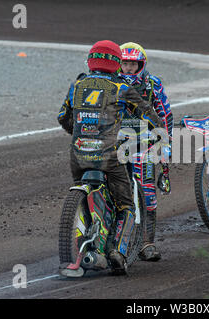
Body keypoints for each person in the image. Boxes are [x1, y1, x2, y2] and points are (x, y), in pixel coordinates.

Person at [57, 40, 162, 277]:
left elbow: (63, 117)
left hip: (78, 154)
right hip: (109, 156)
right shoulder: (122, 88)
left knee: (87, 189)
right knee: (126, 206)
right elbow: (150, 116)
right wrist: (157, 135)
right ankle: (118, 252)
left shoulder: (77, 85)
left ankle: (85, 235)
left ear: (91, 60)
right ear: (115, 63)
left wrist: (80, 130)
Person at [119, 42, 174, 262]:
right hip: (116, 143)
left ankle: (146, 243)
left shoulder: (153, 84)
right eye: (124, 63)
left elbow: (165, 114)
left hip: (146, 143)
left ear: (140, 64)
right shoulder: (112, 83)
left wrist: (165, 143)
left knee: (148, 193)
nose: (128, 68)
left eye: (133, 64)